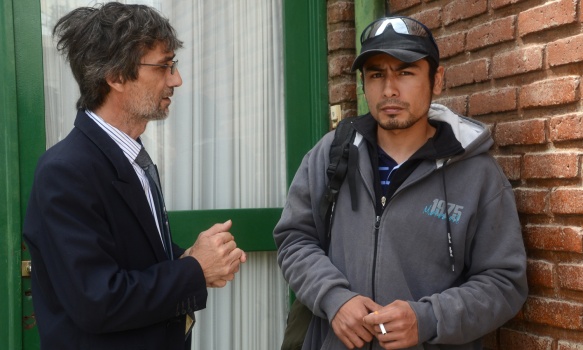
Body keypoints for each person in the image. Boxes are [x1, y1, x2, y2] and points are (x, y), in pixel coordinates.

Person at [273, 16, 528, 350]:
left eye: (405, 72)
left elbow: (504, 284)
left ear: (437, 80)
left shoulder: (477, 176)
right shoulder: (332, 153)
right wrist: (333, 298)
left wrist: (427, 320)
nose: (389, 89)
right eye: (376, 74)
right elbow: (294, 238)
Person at [23, 3, 246, 350]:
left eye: (174, 66)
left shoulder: (130, 156)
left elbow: (137, 257)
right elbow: (97, 300)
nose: (176, 79)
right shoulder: (65, 171)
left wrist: (193, 257)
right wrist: (194, 271)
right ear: (115, 76)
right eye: (164, 67)